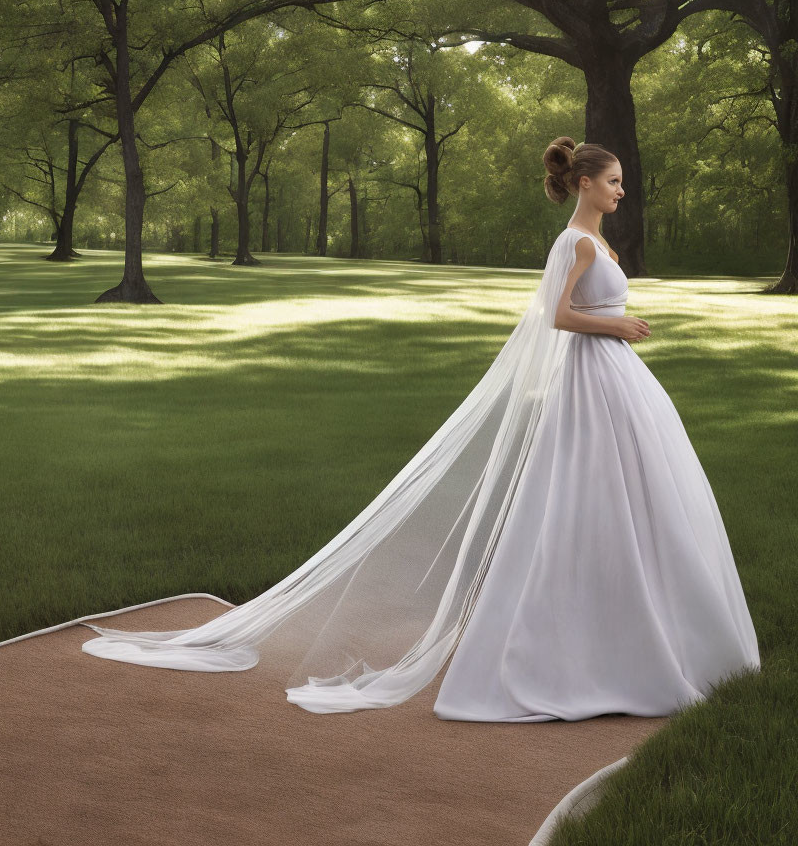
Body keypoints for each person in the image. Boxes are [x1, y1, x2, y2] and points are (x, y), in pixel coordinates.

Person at [83, 137, 760, 721]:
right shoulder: (575, 242)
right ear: (584, 183)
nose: (621, 189)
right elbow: (552, 318)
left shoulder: (599, 239)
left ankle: (643, 635)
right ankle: (571, 649)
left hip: (617, 385)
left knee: (635, 505)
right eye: (613, 181)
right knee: (582, 505)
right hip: (591, 381)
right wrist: (614, 324)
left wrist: (614, 327)